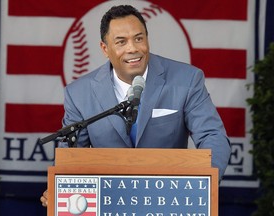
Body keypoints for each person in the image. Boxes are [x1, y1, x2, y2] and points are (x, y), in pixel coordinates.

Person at [40, 4, 231, 207]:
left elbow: (213, 136)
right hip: (109, 202)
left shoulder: (186, 79)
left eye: (139, 38)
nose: (133, 48)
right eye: (121, 42)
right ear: (105, 49)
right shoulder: (79, 93)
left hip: (169, 201)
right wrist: (60, 187)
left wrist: (203, 184)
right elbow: (72, 155)